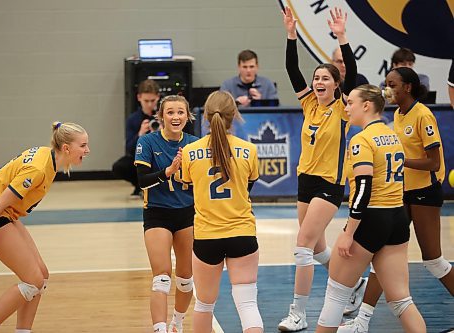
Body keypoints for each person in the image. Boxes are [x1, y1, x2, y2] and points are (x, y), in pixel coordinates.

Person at [338, 67, 452, 333]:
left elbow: (434, 163)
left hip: (424, 192)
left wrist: (399, 160)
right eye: (386, 84)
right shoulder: (396, 116)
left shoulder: (422, 114)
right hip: (399, 194)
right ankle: (362, 322)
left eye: (393, 84)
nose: (387, 89)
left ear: (408, 87)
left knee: (433, 261)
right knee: (382, 257)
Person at [277, 7, 367, 332]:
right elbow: (291, 67)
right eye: (316, 78)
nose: (317, 82)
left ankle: (298, 314)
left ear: (336, 84)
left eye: (324, 78)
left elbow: (353, 71)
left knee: (302, 244)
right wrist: (291, 33)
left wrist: (342, 37)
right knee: (316, 248)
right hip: (305, 181)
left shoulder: (343, 108)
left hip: (329, 185)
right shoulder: (309, 103)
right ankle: (353, 283)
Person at [315, 84, 426, 333]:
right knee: (400, 299)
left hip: (370, 218)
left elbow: (363, 188)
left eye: (350, 103)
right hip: (397, 217)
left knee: (335, 296)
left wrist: (348, 232)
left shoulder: (362, 140)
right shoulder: (392, 135)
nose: (346, 108)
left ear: (367, 105)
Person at [0, 122, 90, 333]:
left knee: (41, 276)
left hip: (6, 215)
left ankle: (23, 331)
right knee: (33, 281)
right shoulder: (38, 170)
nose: (87, 150)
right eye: (83, 145)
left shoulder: (47, 157)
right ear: (66, 148)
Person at [181, 91, 263, 333]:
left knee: (204, 306)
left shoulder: (189, 151)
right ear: (234, 115)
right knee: (248, 305)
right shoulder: (249, 150)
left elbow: (189, 187)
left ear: (204, 116)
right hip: (242, 233)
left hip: (207, 236)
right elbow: (248, 187)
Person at [134, 95, 198, 333]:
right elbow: (141, 181)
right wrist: (169, 170)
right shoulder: (147, 142)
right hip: (157, 214)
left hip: (187, 214)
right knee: (161, 277)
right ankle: (160, 329)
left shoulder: (194, 143)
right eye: (170, 112)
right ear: (161, 116)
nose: (176, 117)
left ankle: (177, 324)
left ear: (187, 116)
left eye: (180, 112)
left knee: (185, 278)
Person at [113, 79, 160, 198]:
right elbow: (129, 148)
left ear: (158, 97)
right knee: (120, 166)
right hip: (141, 158)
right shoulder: (133, 119)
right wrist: (140, 134)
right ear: (139, 97)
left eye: (153, 100)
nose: (150, 104)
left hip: (161, 156)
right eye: (146, 101)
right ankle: (140, 185)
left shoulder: (165, 115)